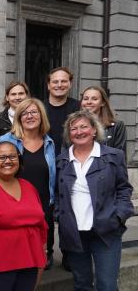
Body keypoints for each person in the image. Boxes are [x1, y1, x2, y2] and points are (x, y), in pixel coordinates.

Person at [56, 110, 133, 291]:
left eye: (84, 126)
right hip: (74, 234)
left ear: (93, 130)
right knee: (82, 284)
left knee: (106, 285)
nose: (79, 131)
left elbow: (124, 189)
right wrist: (60, 216)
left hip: (106, 232)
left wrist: (118, 216)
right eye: (73, 128)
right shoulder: (63, 160)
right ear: (69, 134)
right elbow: (58, 193)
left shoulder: (113, 156)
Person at [0, 141, 47, 291]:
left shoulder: (28, 186)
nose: (8, 161)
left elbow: (41, 224)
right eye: (1, 157)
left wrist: (42, 253)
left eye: (13, 156)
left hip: (30, 260)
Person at [0, 98, 57, 269]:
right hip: (13, 204)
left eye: (34, 112)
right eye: (25, 113)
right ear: (19, 118)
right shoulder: (5, 141)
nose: (29, 116)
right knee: (15, 256)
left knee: (38, 259)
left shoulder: (50, 143)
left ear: (41, 116)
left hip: (43, 204)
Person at [43, 67, 80, 155]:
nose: (59, 85)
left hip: (72, 160)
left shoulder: (79, 108)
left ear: (70, 84)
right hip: (44, 161)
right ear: (48, 85)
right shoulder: (39, 108)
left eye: (63, 81)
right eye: (55, 82)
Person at [80, 85, 126, 153]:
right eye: (85, 99)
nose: (89, 102)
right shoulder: (72, 124)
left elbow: (120, 156)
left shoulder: (117, 126)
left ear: (103, 102)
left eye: (94, 99)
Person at [0, 81, 29, 148]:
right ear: (7, 97)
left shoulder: (34, 117)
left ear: (26, 96)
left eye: (21, 93)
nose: (17, 97)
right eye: (13, 94)